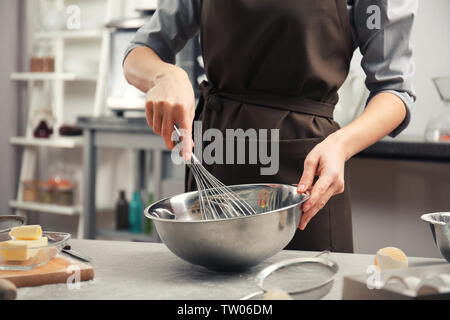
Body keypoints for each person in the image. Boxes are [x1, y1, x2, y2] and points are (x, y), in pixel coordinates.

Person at [123, 0, 417, 252]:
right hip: (218, 161)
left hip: (304, 184)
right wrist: (163, 76)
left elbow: (394, 91)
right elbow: (140, 51)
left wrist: (341, 145)